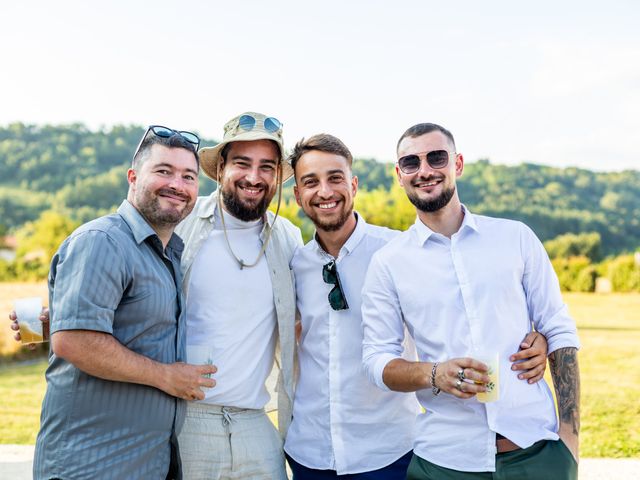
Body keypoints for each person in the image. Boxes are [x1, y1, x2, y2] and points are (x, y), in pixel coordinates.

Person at [284, 134, 550, 479]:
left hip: (392, 452)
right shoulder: (293, 265)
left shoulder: (399, 254)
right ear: (297, 195)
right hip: (310, 452)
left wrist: (537, 338)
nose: (324, 191)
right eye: (310, 182)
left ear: (353, 184)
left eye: (335, 178)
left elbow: (469, 315)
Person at [361, 122, 581, 480]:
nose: (425, 171)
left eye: (437, 158)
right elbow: (376, 359)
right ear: (398, 175)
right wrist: (435, 373)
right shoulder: (389, 263)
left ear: (457, 164)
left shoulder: (516, 238)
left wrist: (570, 441)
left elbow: (558, 329)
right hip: (444, 463)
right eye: (411, 163)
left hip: (537, 453)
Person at [31, 126, 216, 480]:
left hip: (145, 463)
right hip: (92, 465)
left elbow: (116, 325)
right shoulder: (103, 241)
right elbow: (74, 340)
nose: (177, 184)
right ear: (133, 177)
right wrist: (166, 377)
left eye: (188, 176)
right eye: (163, 171)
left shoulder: (169, 254)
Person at [174, 112, 302, 479]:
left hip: (255, 422)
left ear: (278, 175)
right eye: (242, 164)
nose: (254, 177)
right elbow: (134, 290)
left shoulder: (288, 238)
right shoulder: (181, 224)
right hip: (187, 417)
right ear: (222, 168)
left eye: (267, 166)